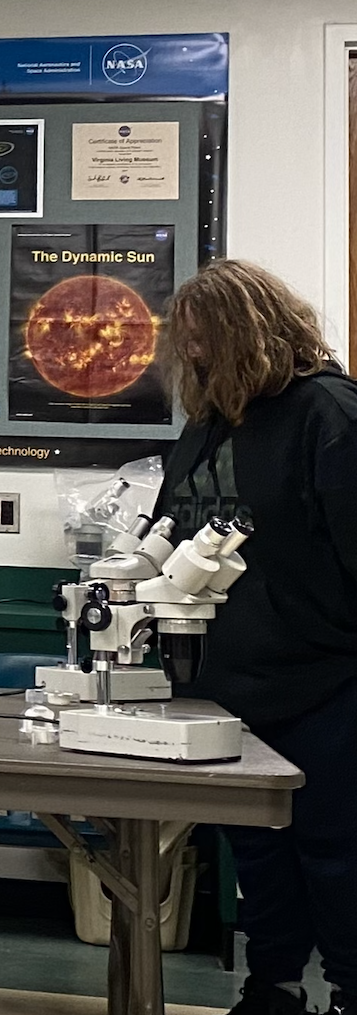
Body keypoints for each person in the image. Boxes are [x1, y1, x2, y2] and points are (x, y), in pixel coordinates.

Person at [156, 261, 356, 1015]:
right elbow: (170, 526)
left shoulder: (327, 413)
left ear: (253, 331)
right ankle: (273, 988)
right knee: (257, 851)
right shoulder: (209, 425)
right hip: (227, 687)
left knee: (335, 852)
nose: (194, 355)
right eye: (186, 341)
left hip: (324, 681)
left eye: (206, 338)